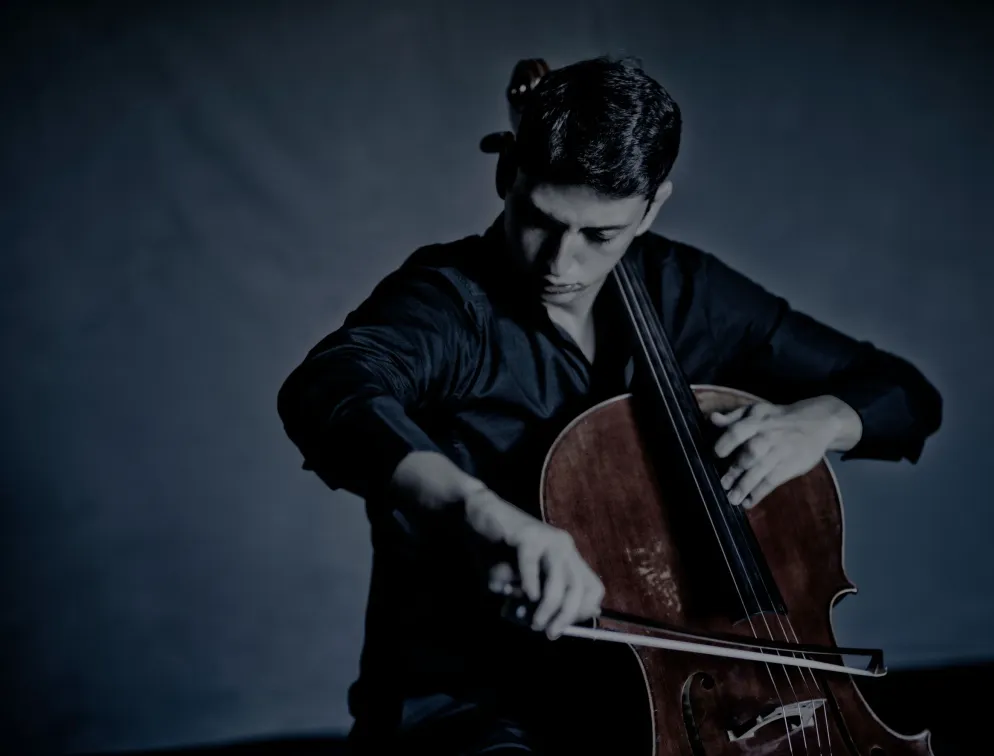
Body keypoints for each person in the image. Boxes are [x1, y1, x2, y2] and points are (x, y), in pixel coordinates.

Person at [276, 56, 942, 755]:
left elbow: (904, 393)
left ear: (652, 207)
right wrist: (475, 510)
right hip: (475, 712)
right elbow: (330, 387)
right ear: (508, 178)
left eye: (601, 235)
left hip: (679, 705)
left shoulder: (684, 291)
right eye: (539, 220)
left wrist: (820, 420)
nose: (560, 263)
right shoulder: (449, 303)